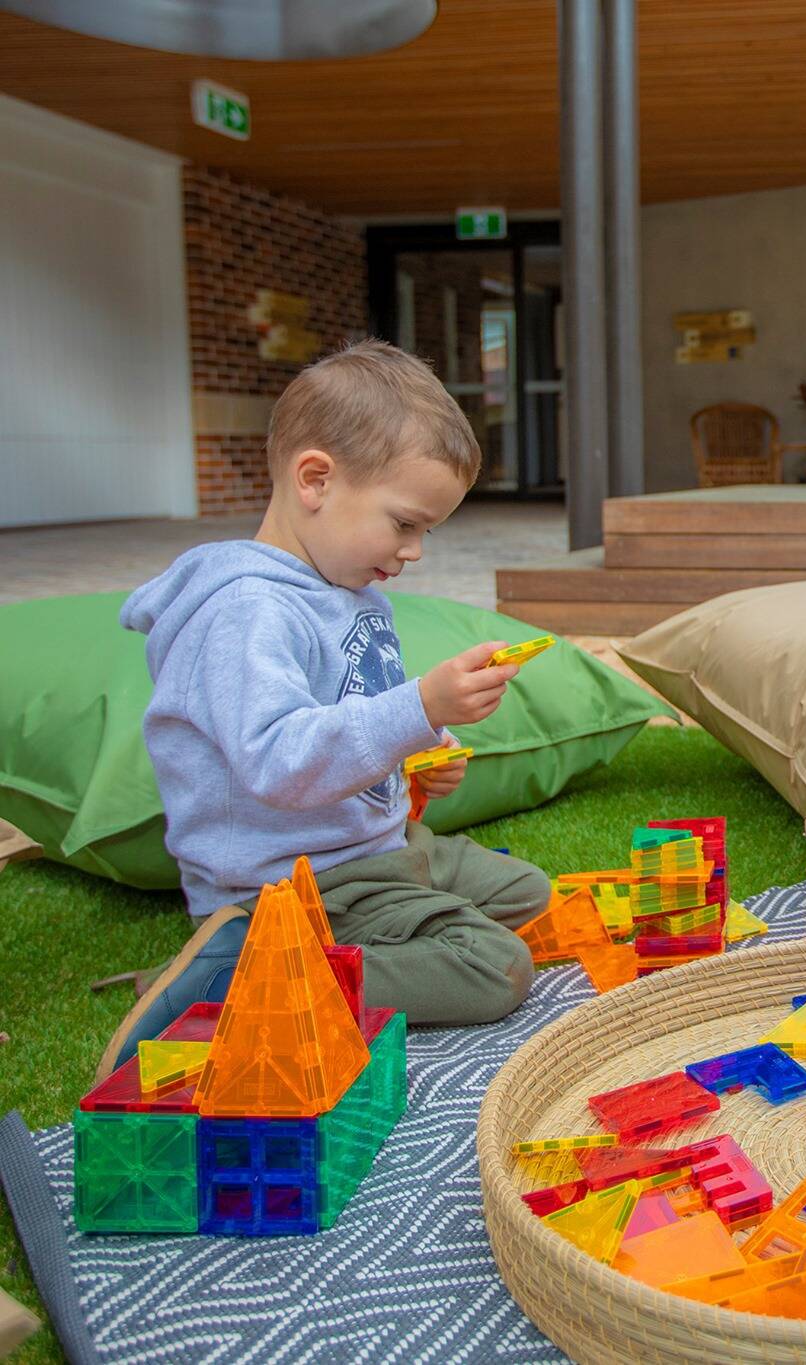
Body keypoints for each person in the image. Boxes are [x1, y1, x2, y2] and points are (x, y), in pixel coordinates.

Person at [99, 340, 550, 1080]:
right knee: (498, 966)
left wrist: (419, 757)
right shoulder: (245, 611)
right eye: (405, 523)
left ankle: (344, 945)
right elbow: (279, 760)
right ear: (315, 479)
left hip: (367, 845)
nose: (415, 552)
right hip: (292, 884)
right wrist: (420, 703)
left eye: (426, 531)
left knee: (528, 894)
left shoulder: (349, 593)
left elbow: (353, 716)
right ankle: (246, 978)